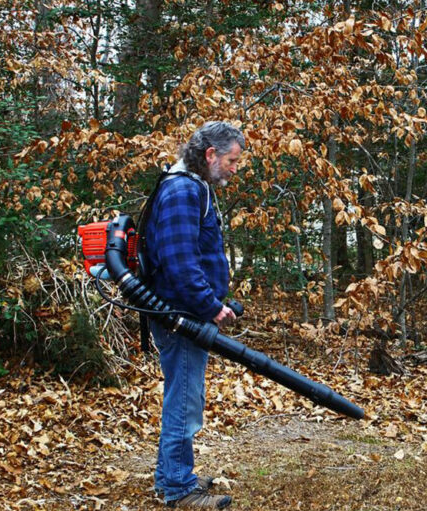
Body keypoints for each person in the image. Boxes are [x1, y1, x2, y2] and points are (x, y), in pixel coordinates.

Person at [145, 121, 244, 509]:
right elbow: (180, 264)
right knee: (184, 402)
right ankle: (179, 489)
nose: (235, 169)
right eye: (232, 160)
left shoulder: (191, 186)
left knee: (182, 397)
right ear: (210, 155)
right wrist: (211, 306)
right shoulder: (183, 189)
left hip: (184, 312)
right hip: (180, 316)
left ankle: (170, 474)